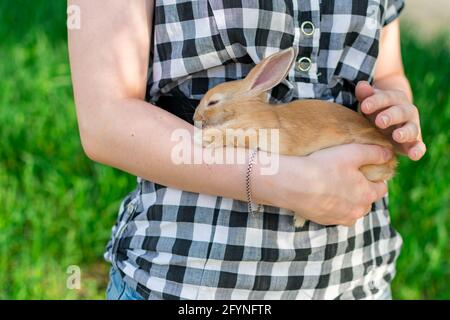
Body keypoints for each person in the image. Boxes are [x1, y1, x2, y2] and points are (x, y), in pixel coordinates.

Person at [68, 0, 426, 300]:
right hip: (191, 283)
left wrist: (394, 107)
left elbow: (387, 72)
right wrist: (279, 180)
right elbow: (105, 120)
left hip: (355, 277)